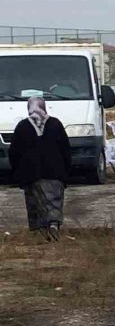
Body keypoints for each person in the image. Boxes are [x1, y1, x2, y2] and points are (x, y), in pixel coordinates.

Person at [8, 97, 71, 241]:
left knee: (35, 203)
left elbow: (14, 152)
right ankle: (53, 225)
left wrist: (17, 172)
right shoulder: (55, 124)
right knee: (53, 201)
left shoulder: (22, 126)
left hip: (30, 173)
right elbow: (65, 149)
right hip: (54, 172)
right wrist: (66, 171)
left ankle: (39, 231)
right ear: (44, 107)